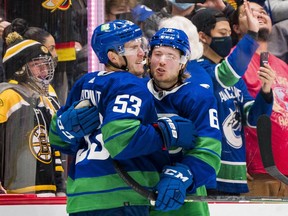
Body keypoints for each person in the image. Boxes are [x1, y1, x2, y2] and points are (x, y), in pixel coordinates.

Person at [49, 20, 196, 215]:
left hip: (81, 198)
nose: (143, 53)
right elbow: (120, 140)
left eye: (141, 45)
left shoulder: (84, 83)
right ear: (113, 57)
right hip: (121, 196)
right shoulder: (129, 85)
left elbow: (57, 139)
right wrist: (166, 134)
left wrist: (64, 127)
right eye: (134, 48)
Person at [191, 3, 275, 195]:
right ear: (202, 37)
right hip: (209, 174)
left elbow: (252, 119)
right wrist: (252, 35)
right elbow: (226, 74)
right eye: (222, 33)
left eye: (229, 33)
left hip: (235, 175)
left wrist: (266, 91)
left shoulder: (235, 81)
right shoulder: (197, 71)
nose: (228, 38)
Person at [147, 27, 222, 215]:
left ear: (183, 63)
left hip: (185, 199)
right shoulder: (135, 92)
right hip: (141, 193)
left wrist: (184, 175)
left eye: (171, 56)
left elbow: (210, 148)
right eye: (157, 54)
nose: (162, 61)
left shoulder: (198, 96)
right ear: (148, 58)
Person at [231, 1, 288, 197]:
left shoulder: (282, 65)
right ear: (236, 28)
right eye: (250, 13)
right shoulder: (234, 63)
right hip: (256, 173)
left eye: (263, 12)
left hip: (285, 172)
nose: (260, 15)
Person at [0, 32, 64, 196]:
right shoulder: (8, 97)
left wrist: (59, 186)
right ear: (20, 68)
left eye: (46, 64)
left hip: (47, 189)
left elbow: (53, 148)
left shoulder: (43, 100)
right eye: (37, 64)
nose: (44, 70)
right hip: (14, 192)